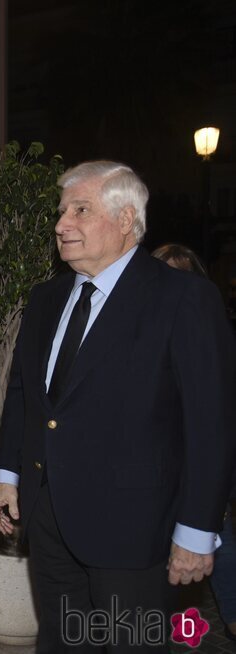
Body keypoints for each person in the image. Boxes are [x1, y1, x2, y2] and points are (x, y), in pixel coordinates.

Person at [0, 161, 235, 652]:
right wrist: (5, 477)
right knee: (62, 642)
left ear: (126, 220)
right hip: (49, 520)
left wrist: (198, 530)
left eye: (81, 209)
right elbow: (24, 396)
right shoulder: (45, 299)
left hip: (136, 532)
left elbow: (213, 425)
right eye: (62, 211)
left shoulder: (183, 298)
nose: (61, 223)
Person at [152, 243, 236, 642]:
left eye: (183, 276)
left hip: (204, 484)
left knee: (220, 558)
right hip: (154, 485)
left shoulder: (213, 335)